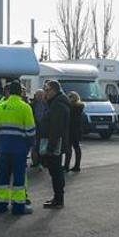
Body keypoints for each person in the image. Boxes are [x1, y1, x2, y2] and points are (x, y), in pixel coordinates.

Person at [0, 81, 36, 215]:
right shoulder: (25, 107)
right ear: (21, 93)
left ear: (9, 92)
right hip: (19, 149)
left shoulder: (0, 106)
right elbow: (31, 131)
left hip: (3, 149)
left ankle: (1, 205)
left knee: (2, 177)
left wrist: (1, 143)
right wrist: (28, 146)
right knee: (19, 179)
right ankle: (18, 207)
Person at [40, 80, 69, 209]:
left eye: (47, 90)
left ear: (54, 90)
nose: (45, 93)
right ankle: (57, 198)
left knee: (56, 172)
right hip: (57, 143)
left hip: (55, 144)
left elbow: (56, 128)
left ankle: (58, 200)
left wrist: (50, 148)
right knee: (56, 172)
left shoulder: (57, 105)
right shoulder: (56, 103)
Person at [64, 91, 84, 172]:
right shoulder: (80, 107)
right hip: (77, 130)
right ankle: (77, 165)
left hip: (70, 129)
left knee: (68, 148)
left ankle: (66, 166)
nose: (68, 98)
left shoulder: (70, 107)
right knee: (76, 147)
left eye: (70, 96)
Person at [29, 89, 49, 169]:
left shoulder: (47, 105)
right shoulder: (31, 105)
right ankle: (35, 162)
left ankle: (43, 162)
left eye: (41, 95)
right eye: (38, 95)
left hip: (44, 129)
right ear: (35, 95)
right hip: (35, 128)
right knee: (35, 146)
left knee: (43, 147)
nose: (40, 97)